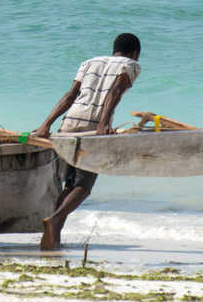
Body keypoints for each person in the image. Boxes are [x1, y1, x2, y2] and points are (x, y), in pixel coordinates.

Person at [31, 32, 142, 251]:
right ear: (135, 53)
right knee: (83, 186)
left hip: (69, 124)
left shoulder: (89, 62)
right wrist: (103, 123)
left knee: (71, 183)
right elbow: (116, 90)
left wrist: (46, 124)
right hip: (92, 129)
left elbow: (71, 94)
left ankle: (53, 237)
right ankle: (55, 219)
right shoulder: (131, 65)